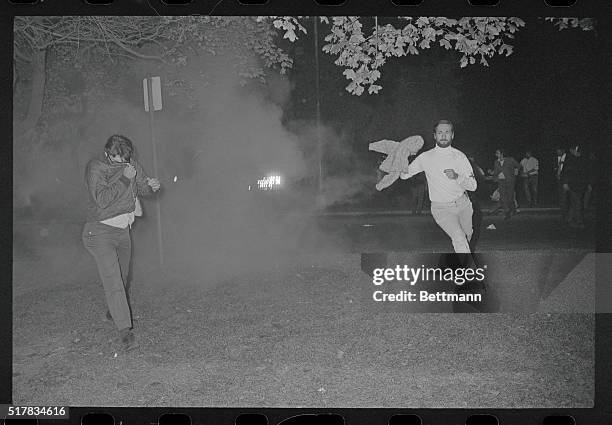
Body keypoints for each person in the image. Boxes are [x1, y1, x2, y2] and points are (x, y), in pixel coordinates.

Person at [82, 135, 161, 351]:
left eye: (127, 159)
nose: (125, 164)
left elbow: (141, 186)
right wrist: (125, 178)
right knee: (114, 281)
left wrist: (151, 186)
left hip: (123, 231)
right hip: (99, 232)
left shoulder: (129, 162)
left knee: (124, 278)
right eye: (118, 160)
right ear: (108, 154)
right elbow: (102, 199)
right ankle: (125, 332)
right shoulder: (96, 167)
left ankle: (114, 311)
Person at [399, 120, 477, 254]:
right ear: (434, 135)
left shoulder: (460, 157)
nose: (443, 135)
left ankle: (462, 259)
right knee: (459, 237)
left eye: (447, 132)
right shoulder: (425, 157)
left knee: (467, 235)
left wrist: (457, 176)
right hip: (441, 208)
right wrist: (399, 160)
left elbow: (473, 186)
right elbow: (404, 175)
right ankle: (468, 272)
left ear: (452, 135)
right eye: (440, 132)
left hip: (463, 204)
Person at [561, 144, 591, 229]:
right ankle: (578, 221)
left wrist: (588, 183)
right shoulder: (571, 160)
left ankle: (569, 219)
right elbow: (566, 172)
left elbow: (585, 172)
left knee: (575, 203)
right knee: (577, 202)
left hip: (579, 185)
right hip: (573, 185)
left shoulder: (581, 160)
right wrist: (565, 183)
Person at [492, 149, 520, 220]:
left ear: (502, 154)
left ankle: (513, 209)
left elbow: (518, 166)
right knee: (503, 197)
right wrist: (494, 177)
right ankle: (507, 211)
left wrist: (515, 173)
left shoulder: (510, 160)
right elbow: (495, 172)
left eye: (497, 153)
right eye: (496, 153)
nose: (496, 155)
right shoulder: (496, 162)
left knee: (510, 197)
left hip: (510, 181)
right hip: (501, 182)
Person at [554, 147, 569, 221]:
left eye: (558, 150)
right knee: (561, 196)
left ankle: (566, 213)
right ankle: (564, 212)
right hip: (559, 179)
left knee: (565, 196)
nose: (557, 152)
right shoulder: (557, 158)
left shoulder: (567, 158)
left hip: (565, 180)